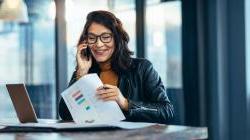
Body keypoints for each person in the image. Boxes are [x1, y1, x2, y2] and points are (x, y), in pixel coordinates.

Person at [59, 10, 174, 124]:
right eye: (92, 38)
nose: (98, 44)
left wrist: (126, 103)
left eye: (105, 37)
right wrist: (81, 74)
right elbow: (65, 114)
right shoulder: (84, 71)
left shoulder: (142, 68)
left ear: (117, 39)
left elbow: (166, 111)